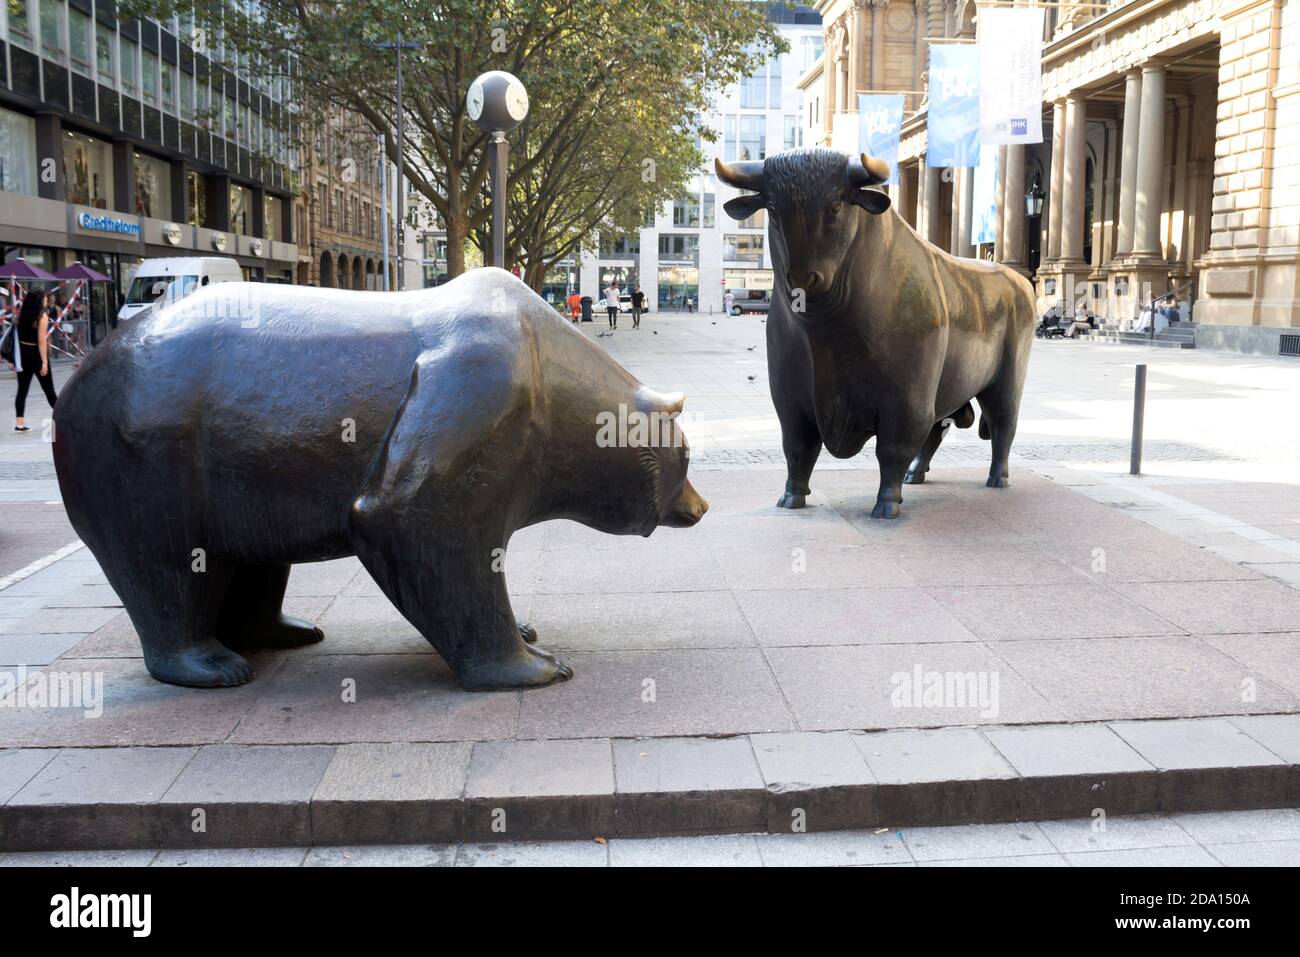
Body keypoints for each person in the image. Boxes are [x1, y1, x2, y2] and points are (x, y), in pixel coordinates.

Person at [9, 290, 58, 432]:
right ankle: (65, 418)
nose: (46, 300)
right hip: (36, 355)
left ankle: (20, 423)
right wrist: (44, 362)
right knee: (49, 390)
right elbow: (41, 340)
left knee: (22, 390)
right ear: (39, 301)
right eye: (44, 298)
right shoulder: (42, 317)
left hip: (23, 355)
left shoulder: (21, 316)